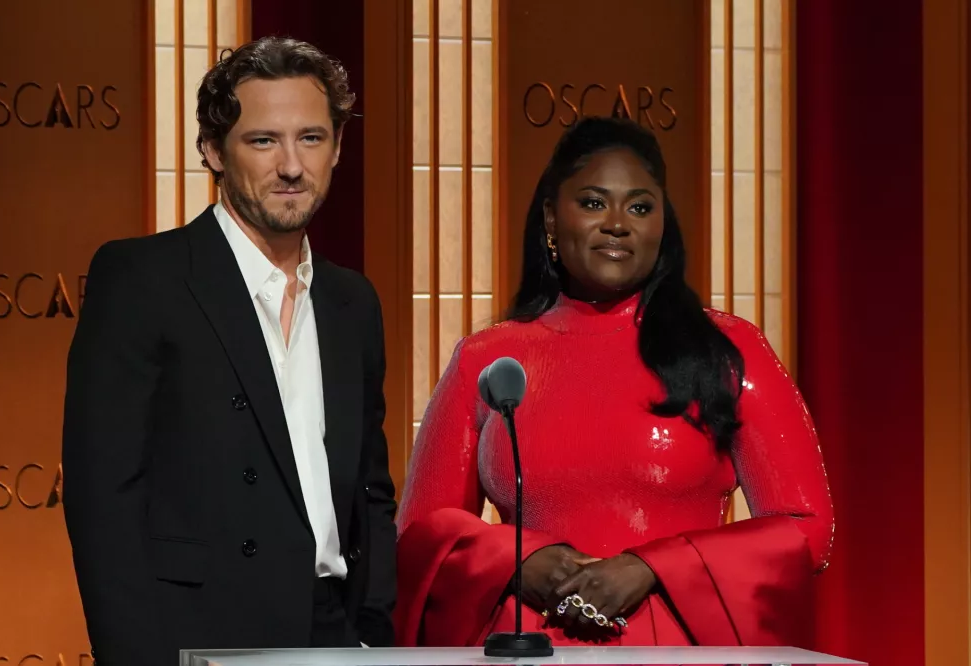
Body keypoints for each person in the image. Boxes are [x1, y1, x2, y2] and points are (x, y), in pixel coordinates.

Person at [394, 116, 834, 649]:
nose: (618, 224)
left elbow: (805, 526)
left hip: (678, 654)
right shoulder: (487, 358)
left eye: (641, 207)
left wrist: (652, 567)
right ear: (552, 220)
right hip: (527, 649)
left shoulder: (728, 350)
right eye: (594, 203)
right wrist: (519, 558)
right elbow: (423, 532)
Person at [62, 37, 396, 666]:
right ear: (213, 151)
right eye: (264, 140)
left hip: (335, 631)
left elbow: (371, 493)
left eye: (312, 138)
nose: (292, 166)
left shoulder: (353, 301)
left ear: (338, 147)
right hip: (197, 631)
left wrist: (372, 633)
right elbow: (103, 497)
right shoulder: (143, 278)